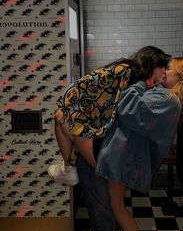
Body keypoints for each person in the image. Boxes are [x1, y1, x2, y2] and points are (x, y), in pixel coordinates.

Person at [95, 58, 183, 231]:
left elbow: (130, 109)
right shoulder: (166, 97)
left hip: (122, 157)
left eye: (169, 69)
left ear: (181, 78)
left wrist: (143, 83)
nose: (164, 71)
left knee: (117, 207)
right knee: (117, 206)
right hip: (125, 155)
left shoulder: (167, 99)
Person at [48, 46, 171, 186]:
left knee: (60, 115)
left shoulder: (129, 75)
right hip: (119, 150)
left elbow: (83, 86)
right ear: (154, 64)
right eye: (164, 68)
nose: (164, 74)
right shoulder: (131, 76)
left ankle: (67, 168)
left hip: (109, 150)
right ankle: (68, 168)